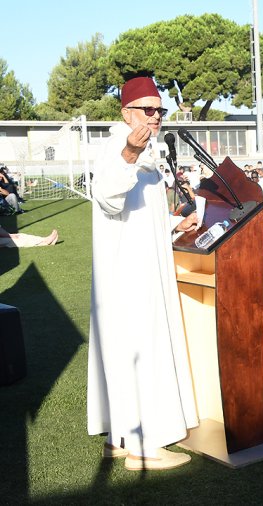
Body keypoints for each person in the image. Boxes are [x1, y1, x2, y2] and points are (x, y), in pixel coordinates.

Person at [88, 76, 199, 471]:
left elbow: (138, 214)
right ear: (126, 112)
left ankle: (119, 438)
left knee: (122, 351)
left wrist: (172, 225)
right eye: (147, 109)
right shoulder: (120, 147)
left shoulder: (146, 149)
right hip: (130, 274)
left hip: (139, 262)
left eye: (160, 109)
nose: (155, 117)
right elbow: (107, 197)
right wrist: (131, 154)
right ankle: (144, 448)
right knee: (140, 348)